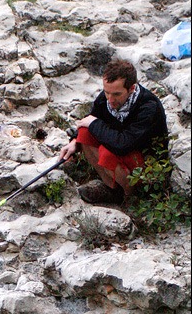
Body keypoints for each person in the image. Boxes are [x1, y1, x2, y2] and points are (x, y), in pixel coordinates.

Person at [60, 59, 169, 205]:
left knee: (107, 152)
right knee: (84, 133)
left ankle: (131, 196)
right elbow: (92, 119)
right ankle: (112, 188)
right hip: (121, 151)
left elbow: (124, 144)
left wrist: (95, 124)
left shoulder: (148, 107)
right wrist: (75, 142)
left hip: (146, 163)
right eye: (106, 92)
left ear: (131, 89)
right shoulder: (106, 99)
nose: (110, 99)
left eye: (117, 94)